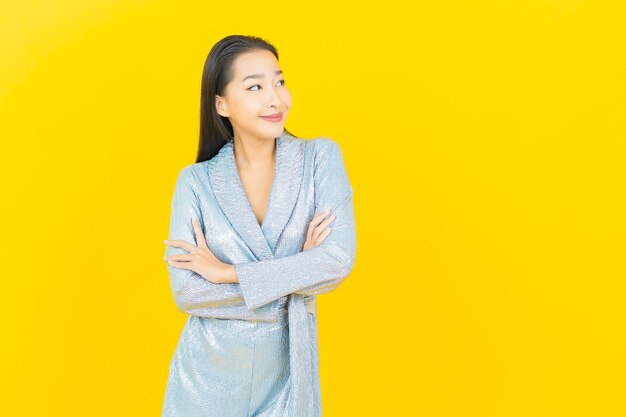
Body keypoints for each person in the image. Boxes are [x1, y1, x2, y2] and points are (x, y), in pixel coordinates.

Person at [161, 34, 356, 417]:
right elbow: (187, 293)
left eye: (279, 82)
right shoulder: (196, 182)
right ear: (222, 104)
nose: (275, 98)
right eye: (255, 86)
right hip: (204, 381)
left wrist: (226, 272)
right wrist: (296, 275)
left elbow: (337, 260)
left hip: (288, 378)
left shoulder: (320, 159)